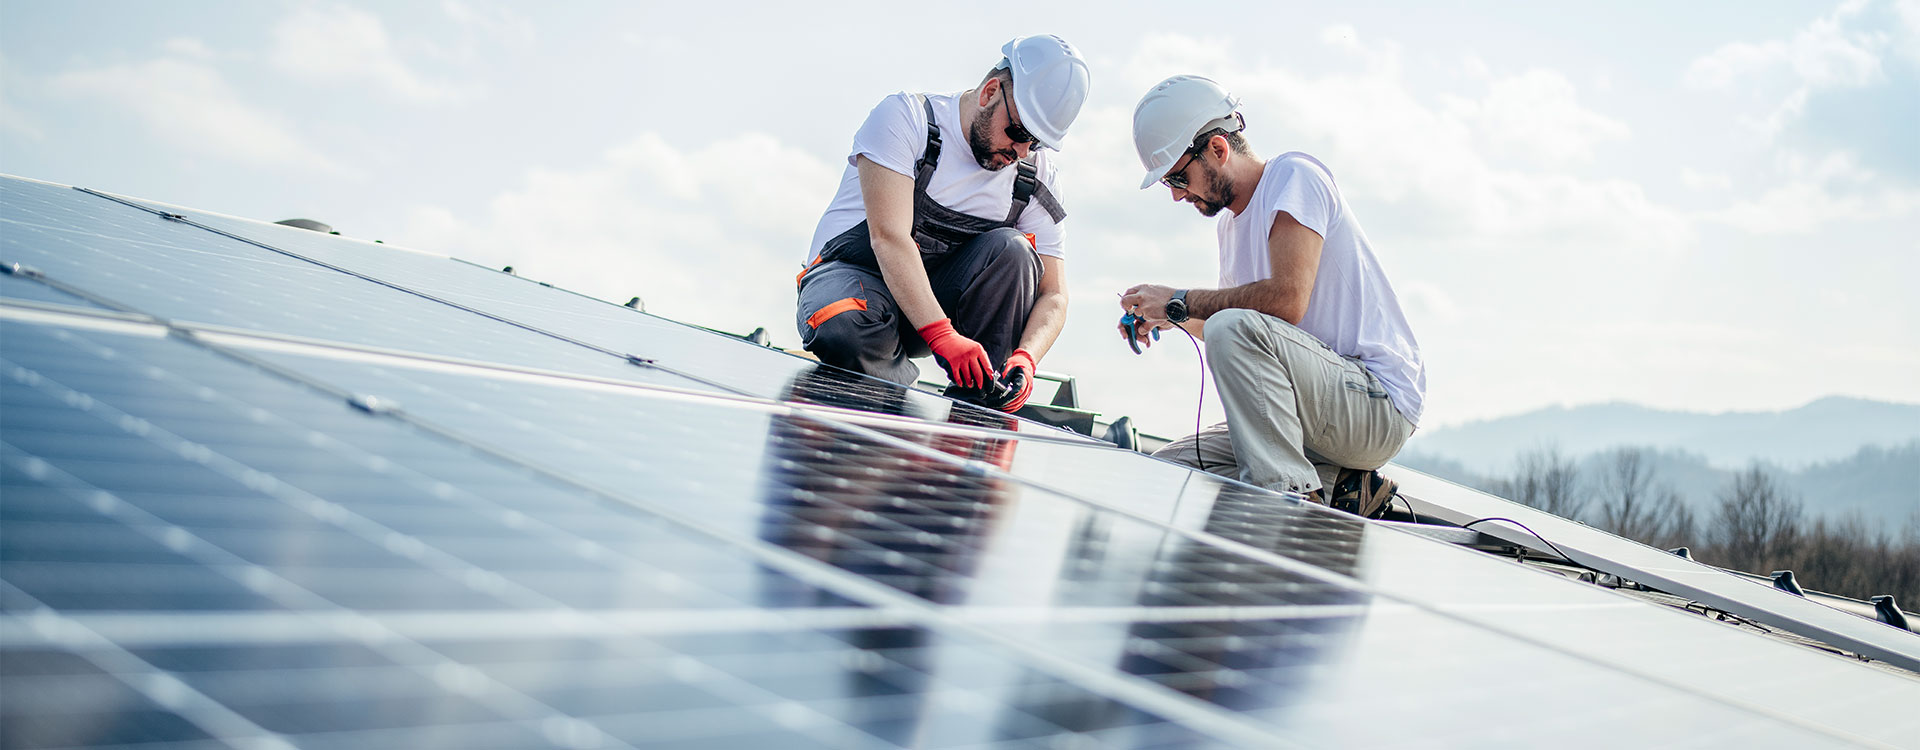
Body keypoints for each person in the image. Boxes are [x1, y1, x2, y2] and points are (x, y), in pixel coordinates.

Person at [1118, 75, 1425, 517]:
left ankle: (1288, 501)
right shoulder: (1229, 226)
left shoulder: (1293, 177)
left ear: (1218, 150)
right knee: (1170, 468)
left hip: (1376, 406)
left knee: (1232, 325)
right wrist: (1173, 316)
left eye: (1179, 178)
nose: (1176, 196)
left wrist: (1179, 298)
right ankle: (1339, 486)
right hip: (1315, 409)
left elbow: (1285, 301)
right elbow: (1242, 334)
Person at [795, 35, 1089, 412]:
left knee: (1015, 252)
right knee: (841, 321)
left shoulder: (1034, 176)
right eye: (1019, 133)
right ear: (989, 93)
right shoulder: (906, 119)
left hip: (935, 311)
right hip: (856, 283)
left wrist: (1027, 358)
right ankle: (891, 402)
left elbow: (1054, 294)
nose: (1021, 152)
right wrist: (942, 336)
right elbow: (889, 238)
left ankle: (979, 403)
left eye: (1036, 143)